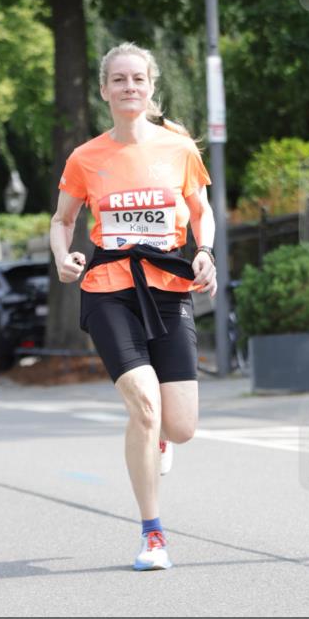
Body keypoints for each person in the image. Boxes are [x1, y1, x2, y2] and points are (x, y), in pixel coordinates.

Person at [49, 42, 217, 571]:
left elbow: (201, 210)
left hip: (167, 284)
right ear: (104, 91)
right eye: (118, 80)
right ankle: (153, 535)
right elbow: (62, 220)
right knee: (144, 403)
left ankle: (161, 441)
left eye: (138, 79)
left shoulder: (178, 148)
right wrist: (62, 257)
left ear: (150, 88)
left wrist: (205, 252)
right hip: (107, 287)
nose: (129, 87)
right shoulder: (86, 157)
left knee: (181, 426)